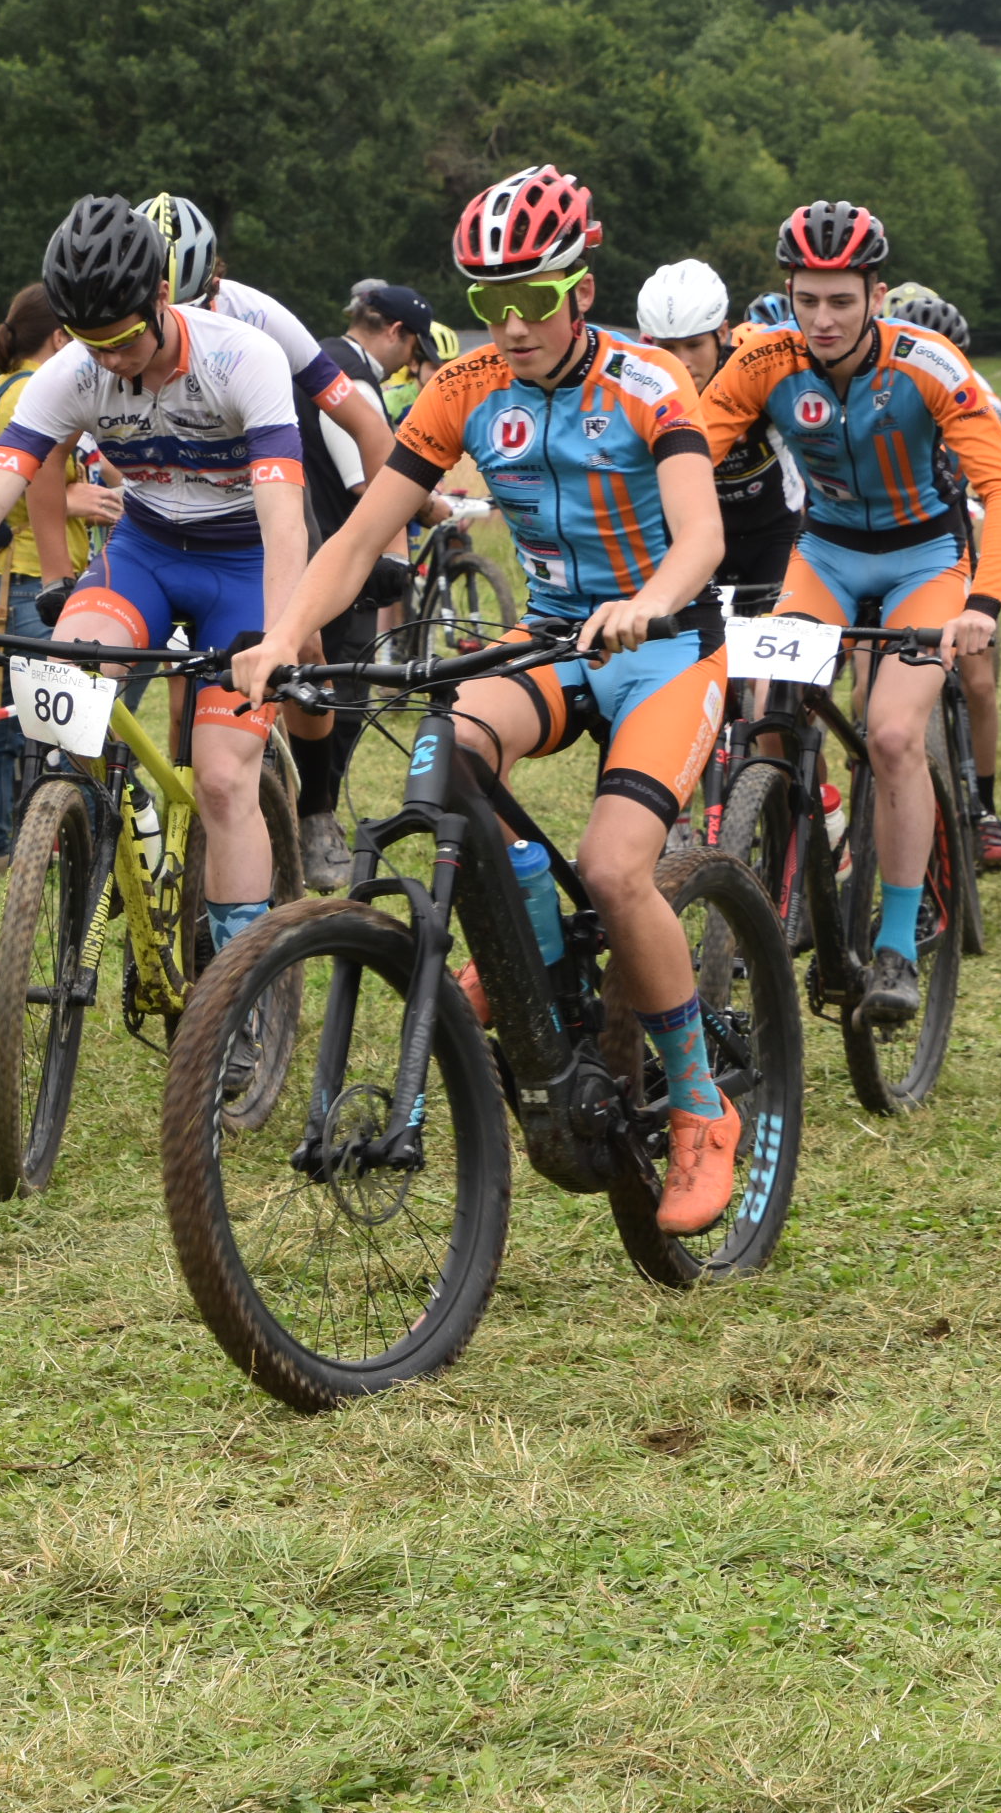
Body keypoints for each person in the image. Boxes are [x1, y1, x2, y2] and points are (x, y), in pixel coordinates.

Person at [232, 165, 745, 1236]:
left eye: (534, 299)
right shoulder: (464, 387)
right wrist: (282, 638)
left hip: (663, 645)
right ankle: (530, 959)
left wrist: (650, 601)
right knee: (447, 754)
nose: (512, 325)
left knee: (615, 867)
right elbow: (360, 536)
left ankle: (702, 1105)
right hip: (552, 636)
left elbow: (702, 534)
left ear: (582, 290)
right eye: (489, 302)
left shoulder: (650, 381)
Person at [0, 195, 308, 960]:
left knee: (221, 780)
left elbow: (284, 516)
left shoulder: (244, 357)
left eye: (120, 340)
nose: (106, 361)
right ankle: (117, 824)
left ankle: (242, 979)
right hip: (144, 551)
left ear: (161, 296)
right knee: (67, 686)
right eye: (88, 342)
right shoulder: (70, 372)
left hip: (243, 561)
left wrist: (278, 634)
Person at [696, 200, 1001, 1019]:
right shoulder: (763, 360)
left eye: (842, 301)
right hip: (825, 556)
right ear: (788, 293)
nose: (823, 319)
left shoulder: (928, 362)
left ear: (876, 296)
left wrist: (983, 601)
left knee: (890, 734)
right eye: (808, 299)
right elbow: (684, 456)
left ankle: (897, 946)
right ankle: (803, 857)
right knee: (769, 712)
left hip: (926, 559)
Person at [892, 287, 1001, 870]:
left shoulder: (973, 390)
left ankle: (985, 807)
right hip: (886, 537)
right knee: (867, 691)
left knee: (979, 680)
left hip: (953, 532)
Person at [285, 279, 440, 891]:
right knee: (341, 698)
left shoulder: (317, 359)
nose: (409, 361)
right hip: (341, 562)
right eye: (414, 347)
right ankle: (314, 825)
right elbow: (371, 484)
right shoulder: (351, 380)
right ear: (397, 333)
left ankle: (294, 818)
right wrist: (423, 514)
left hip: (295, 549)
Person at [0, 284, 111, 875]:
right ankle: (56, 846)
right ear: (61, 337)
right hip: (21, 579)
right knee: (59, 727)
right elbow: (19, 486)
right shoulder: (32, 394)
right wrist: (78, 500)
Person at [134, 194, 401, 508]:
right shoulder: (106, 333)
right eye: (149, 320)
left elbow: (368, 425)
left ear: (215, 283)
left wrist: (389, 537)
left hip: (257, 493)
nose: (171, 331)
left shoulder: (256, 314)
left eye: (192, 312)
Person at [637, 257, 801, 603]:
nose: (682, 361)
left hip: (774, 531)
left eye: (695, 345)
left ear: (722, 333)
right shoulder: (644, 389)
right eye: (668, 348)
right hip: (695, 537)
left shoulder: (751, 373)